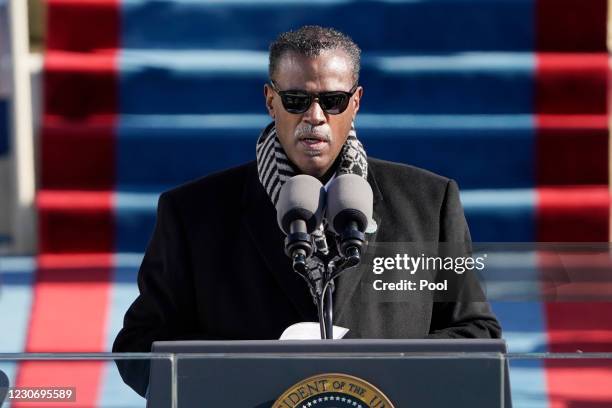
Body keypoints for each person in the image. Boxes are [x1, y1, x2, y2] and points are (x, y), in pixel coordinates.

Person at [113, 25, 501, 397]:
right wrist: (250, 371)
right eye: (296, 100)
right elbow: (139, 349)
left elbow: (477, 333)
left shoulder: (429, 202)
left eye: (332, 101)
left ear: (356, 102)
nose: (314, 116)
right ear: (270, 100)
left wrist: (383, 368)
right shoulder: (193, 213)